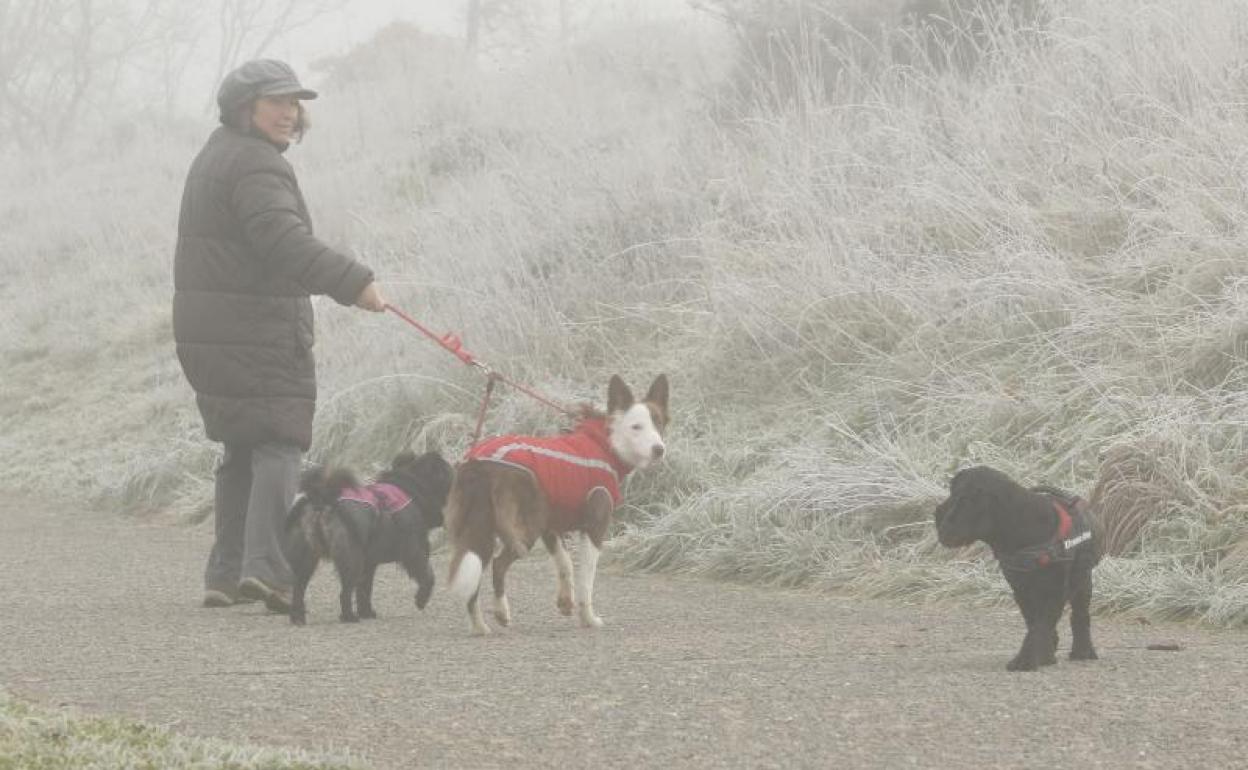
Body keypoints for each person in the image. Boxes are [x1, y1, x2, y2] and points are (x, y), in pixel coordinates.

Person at [172, 59, 386, 613]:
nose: (290, 113)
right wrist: (355, 282)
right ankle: (268, 568)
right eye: (277, 102)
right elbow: (283, 242)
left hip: (213, 329)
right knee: (278, 439)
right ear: (246, 107)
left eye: (295, 103)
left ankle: (225, 573)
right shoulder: (255, 164)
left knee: (243, 444)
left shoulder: (217, 154)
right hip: (254, 329)